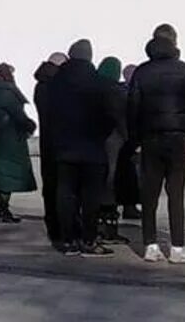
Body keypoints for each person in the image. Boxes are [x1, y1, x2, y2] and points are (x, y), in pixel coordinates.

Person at [128, 23, 185, 264]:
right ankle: (177, 248)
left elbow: (132, 108)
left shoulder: (142, 72)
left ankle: (150, 245)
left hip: (150, 137)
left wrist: (135, 139)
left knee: (149, 194)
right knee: (176, 193)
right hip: (176, 137)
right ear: (175, 42)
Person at [42, 40, 120, 256]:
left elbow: (48, 114)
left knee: (65, 193)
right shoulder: (99, 82)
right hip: (93, 147)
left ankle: (67, 240)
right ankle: (88, 240)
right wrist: (100, 133)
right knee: (91, 196)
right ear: (90, 57)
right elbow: (111, 115)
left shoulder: (55, 83)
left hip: (64, 147)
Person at [0, 63, 36, 225]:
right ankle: (2, 210)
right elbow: (19, 116)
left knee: (1, 175)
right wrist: (30, 125)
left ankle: (0, 209)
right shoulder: (6, 93)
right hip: (10, 140)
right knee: (8, 175)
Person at [32, 53, 67, 249]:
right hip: (58, 143)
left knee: (51, 186)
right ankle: (58, 230)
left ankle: (55, 227)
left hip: (47, 142)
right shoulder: (53, 86)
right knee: (58, 187)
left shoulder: (42, 84)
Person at [94, 56, 128, 242]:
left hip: (92, 141)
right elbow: (121, 118)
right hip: (113, 142)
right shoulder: (115, 92)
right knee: (111, 183)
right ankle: (108, 228)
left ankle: (96, 225)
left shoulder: (90, 88)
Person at [118, 64, 142, 222]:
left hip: (126, 138)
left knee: (131, 175)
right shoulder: (131, 93)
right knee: (131, 175)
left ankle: (130, 206)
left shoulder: (120, 91)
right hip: (127, 138)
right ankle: (130, 206)